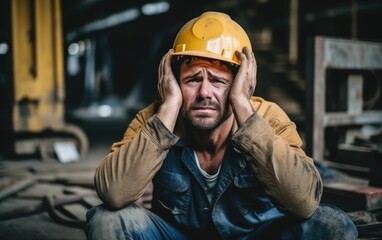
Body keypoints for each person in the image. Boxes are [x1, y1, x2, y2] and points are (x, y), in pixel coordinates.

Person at [86, 11, 358, 239]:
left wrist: (243, 106)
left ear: (242, 82)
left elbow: (304, 203)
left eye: (218, 81)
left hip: (255, 235)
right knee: (107, 221)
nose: (205, 92)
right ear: (173, 82)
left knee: (332, 225)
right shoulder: (155, 119)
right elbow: (113, 193)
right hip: (178, 235)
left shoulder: (269, 118)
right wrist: (168, 109)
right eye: (193, 79)